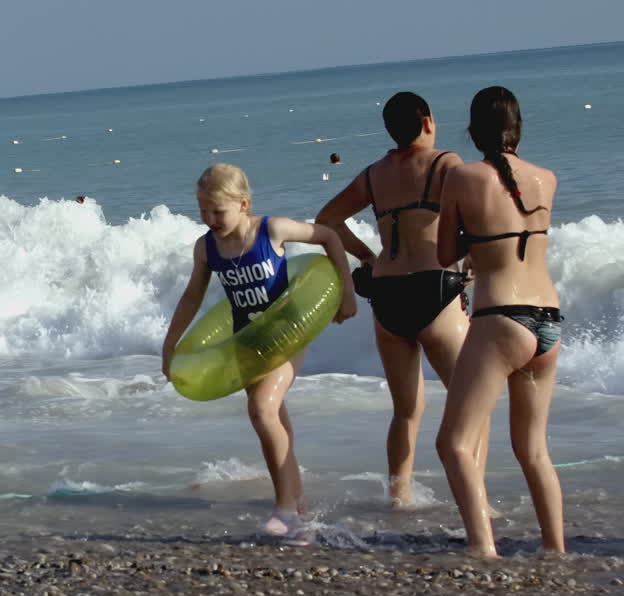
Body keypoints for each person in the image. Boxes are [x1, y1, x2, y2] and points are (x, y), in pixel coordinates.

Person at [162, 164, 356, 541]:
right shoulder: (206, 248)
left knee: (262, 409)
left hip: (286, 337)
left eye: (218, 211)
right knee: (273, 419)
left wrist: (346, 291)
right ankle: (298, 505)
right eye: (203, 211)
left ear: (244, 204)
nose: (210, 219)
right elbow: (191, 297)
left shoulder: (272, 230)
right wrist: (170, 346)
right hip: (247, 345)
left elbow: (329, 236)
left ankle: (284, 510)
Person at [315, 91, 487, 508]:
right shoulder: (446, 164)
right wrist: (472, 259)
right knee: (471, 405)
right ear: (428, 122)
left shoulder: (374, 174)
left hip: (387, 293)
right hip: (435, 288)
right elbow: (479, 215)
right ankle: (476, 500)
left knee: (406, 411)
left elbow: (327, 220)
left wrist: (367, 256)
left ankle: (399, 497)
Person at [434, 86, 564, 559]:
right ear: (518, 127)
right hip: (549, 321)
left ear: (473, 131)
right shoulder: (547, 178)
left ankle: (482, 547)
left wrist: (476, 243)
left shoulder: (463, 176)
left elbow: (445, 253)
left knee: (454, 444)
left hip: (501, 319)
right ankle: (555, 549)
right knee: (534, 450)